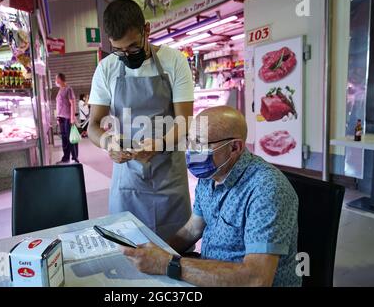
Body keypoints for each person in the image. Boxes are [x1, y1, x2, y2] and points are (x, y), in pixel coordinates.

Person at [120, 106, 302, 287]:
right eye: (190, 141)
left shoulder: (266, 189)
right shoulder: (212, 174)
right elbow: (192, 229)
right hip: (209, 276)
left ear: (234, 147)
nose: (192, 151)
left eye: (200, 143)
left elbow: (256, 279)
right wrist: (155, 253)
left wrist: (167, 263)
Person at [88, 0, 195, 241]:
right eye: (119, 51)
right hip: (128, 180)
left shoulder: (174, 61)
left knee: (174, 253)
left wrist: (158, 144)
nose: (127, 56)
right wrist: (108, 143)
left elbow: (184, 120)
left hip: (169, 178)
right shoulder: (106, 69)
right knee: (129, 249)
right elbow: (94, 125)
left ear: (146, 30)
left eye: (134, 48)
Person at [55, 73, 79, 164]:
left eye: (56, 79)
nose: (55, 81)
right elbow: (59, 105)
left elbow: (72, 103)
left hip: (68, 118)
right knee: (64, 139)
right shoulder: (60, 90)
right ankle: (65, 157)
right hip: (61, 118)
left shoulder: (68, 89)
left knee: (71, 138)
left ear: (60, 79)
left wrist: (72, 118)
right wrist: (58, 117)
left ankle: (74, 158)